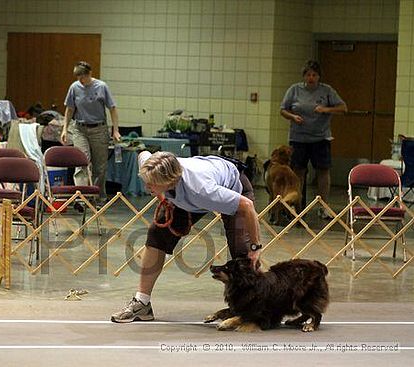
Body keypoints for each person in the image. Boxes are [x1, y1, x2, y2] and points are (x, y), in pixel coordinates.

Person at [110, 151, 262, 323]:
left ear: (168, 181)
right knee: (156, 234)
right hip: (193, 186)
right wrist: (164, 198)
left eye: (151, 183)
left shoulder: (202, 190)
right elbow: (143, 154)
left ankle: (254, 307)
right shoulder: (151, 166)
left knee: (243, 254)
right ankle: (142, 303)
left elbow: (247, 206)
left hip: (232, 185)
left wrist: (256, 247)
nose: (146, 187)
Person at [280, 60, 347, 219]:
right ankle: (297, 204)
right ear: (304, 76)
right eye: (308, 75)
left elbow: (343, 108)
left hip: (320, 137)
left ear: (319, 77)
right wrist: (292, 116)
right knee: (298, 171)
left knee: (323, 171)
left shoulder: (327, 91)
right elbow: (283, 110)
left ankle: (323, 206)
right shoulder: (294, 90)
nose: (311, 78)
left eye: (314, 75)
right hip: (299, 137)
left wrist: (326, 109)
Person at [60, 61, 120, 203]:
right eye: (77, 77)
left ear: (90, 74)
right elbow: (69, 109)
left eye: (83, 77)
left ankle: (98, 197)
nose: (80, 80)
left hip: (99, 129)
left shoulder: (101, 87)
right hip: (80, 129)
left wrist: (115, 130)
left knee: (100, 166)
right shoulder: (74, 88)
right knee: (82, 162)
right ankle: (81, 198)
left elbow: (112, 108)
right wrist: (64, 129)